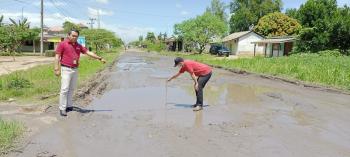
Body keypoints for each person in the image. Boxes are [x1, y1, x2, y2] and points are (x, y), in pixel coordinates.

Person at [54, 29, 106, 116]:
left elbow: (88, 52)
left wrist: (99, 58)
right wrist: (56, 69)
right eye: (73, 36)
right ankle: (62, 108)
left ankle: (69, 106)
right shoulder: (62, 44)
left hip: (75, 69)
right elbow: (57, 57)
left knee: (72, 88)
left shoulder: (78, 45)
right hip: (66, 69)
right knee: (64, 89)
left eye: (76, 36)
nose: (74, 37)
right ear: (68, 35)